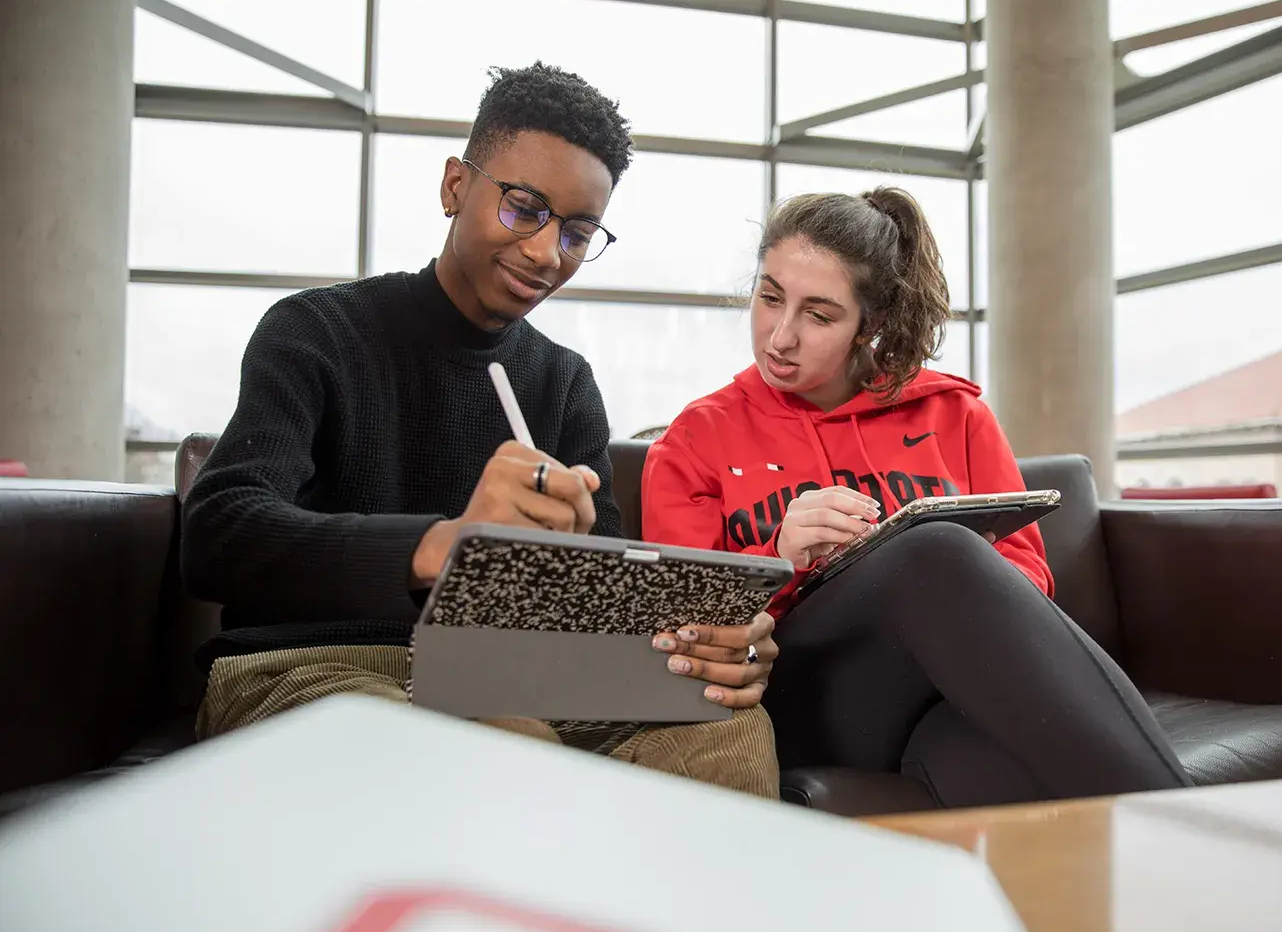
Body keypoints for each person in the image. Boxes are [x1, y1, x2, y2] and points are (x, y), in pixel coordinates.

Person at [181, 63, 778, 798]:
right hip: (307, 666)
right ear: (455, 186)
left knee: (722, 725)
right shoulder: (316, 333)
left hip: (507, 677)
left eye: (577, 232)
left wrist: (706, 647)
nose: (544, 252)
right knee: (499, 742)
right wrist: (442, 545)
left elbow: (600, 603)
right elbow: (218, 534)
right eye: (524, 208)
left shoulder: (562, 383)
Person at [640, 187, 1191, 808]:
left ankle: (1150, 859)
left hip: (943, 690)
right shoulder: (696, 438)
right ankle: (1191, 828)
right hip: (797, 698)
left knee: (981, 753)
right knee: (932, 552)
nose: (780, 336)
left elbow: (1025, 578)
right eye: (769, 297)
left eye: (819, 315)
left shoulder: (954, 414)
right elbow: (686, 629)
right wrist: (780, 558)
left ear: (869, 324)